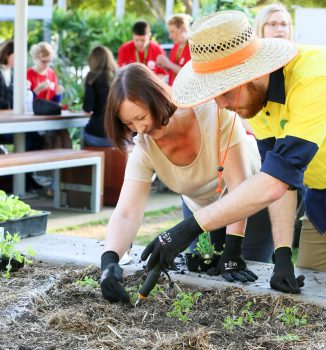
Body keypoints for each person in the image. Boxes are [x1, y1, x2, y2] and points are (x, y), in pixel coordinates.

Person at [142, 10, 326, 295]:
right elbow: (279, 179)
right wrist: (282, 255)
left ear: (255, 72)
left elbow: (274, 183)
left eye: (224, 91)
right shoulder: (254, 99)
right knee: (318, 293)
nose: (221, 104)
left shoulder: (317, 78)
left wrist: (190, 228)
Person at [99, 62, 261, 303]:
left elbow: (239, 188)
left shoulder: (215, 114)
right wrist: (109, 261)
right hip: (200, 214)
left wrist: (233, 249)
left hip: (252, 203)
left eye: (141, 117)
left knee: (248, 287)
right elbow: (126, 213)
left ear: (157, 97)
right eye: (129, 124)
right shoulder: (144, 148)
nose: (139, 128)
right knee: (205, 288)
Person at [254, 3, 304, 248]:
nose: (279, 29)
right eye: (272, 24)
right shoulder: (254, 75)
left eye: (284, 24)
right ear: (260, 29)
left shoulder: (301, 65)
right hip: (273, 149)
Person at [27, 41, 71, 149]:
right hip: (34, 117)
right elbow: (26, 101)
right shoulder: (29, 74)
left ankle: (63, 163)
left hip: (49, 115)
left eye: (49, 61)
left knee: (63, 135)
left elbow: (55, 101)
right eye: (43, 61)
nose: (46, 64)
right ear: (35, 58)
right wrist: (37, 90)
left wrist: (58, 93)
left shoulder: (51, 73)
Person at [82, 45, 117, 147]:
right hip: (118, 135)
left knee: (85, 134)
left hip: (97, 135)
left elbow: (87, 109)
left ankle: (88, 162)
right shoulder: (119, 77)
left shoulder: (92, 78)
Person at [156, 14, 192, 86]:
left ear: (182, 29)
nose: (169, 36)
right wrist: (165, 66)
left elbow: (189, 75)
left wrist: (168, 64)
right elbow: (173, 71)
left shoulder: (192, 47)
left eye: (172, 32)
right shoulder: (176, 46)